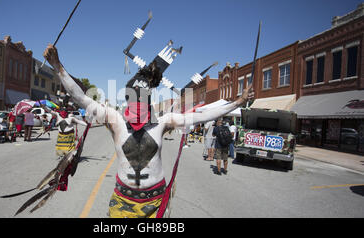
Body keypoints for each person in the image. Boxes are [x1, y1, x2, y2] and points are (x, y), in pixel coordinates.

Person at [43, 43, 253, 218]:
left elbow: (201, 115)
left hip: (155, 203)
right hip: (122, 203)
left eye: (141, 97)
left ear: (149, 99)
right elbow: (81, 98)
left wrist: (239, 101)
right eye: (132, 96)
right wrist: (58, 66)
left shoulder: (163, 122)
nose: (136, 102)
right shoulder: (114, 120)